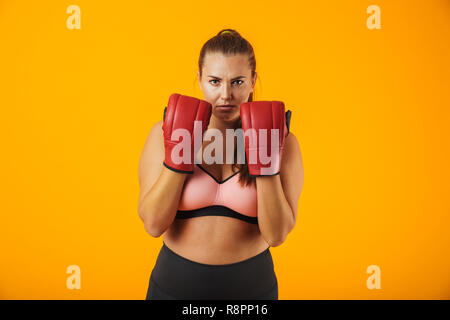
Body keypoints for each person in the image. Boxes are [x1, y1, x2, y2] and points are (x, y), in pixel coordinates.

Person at [138, 29, 304, 300]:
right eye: (215, 81)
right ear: (200, 80)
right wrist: (178, 157)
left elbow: (276, 236)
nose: (226, 94)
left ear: (253, 81)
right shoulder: (165, 133)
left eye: (237, 82)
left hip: (252, 292)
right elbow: (154, 225)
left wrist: (265, 161)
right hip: (173, 288)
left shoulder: (283, 141)